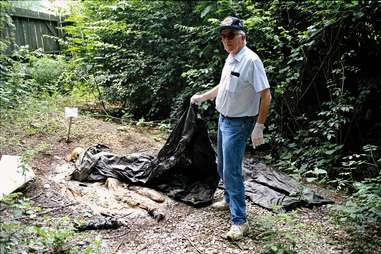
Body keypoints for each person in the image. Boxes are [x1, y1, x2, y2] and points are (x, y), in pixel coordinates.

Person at [190, 16, 272, 241]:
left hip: (240, 123)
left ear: (242, 36)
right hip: (223, 119)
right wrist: (202, 97)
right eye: (223, 36)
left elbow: (266, 95)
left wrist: (259, 127)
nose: (226, 40)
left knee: (232, 171)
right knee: (222, 164)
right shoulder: (230, 57)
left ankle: (240, 222)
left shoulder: (251, 61)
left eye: (231, 35)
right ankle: (228, 199)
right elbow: (223, 86)